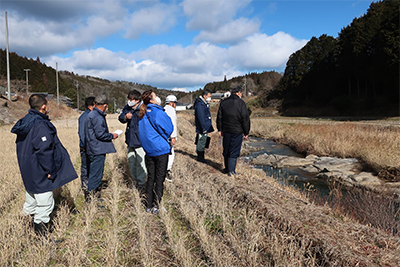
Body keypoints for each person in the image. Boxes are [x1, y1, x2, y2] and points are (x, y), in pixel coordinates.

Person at [11, 94, 78, 236]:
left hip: (28, 168)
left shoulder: (26, 121)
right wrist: (50, 169)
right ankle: (41, 236)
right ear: (43, 106)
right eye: (47, 104)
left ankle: (25, 227)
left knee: (31, 199)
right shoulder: (40, 124)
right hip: (40, 170)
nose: (48, 107)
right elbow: (44, 150)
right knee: (45, 203)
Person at [138, 90, 173, 214]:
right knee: (159, 178)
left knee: (150, 177)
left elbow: (141, 133)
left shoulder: (142, 114)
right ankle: (157, 206)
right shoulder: (157, 112)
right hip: (160, 149)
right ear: (152, 100)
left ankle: (148, 205)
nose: (158, 98)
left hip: (149, 150)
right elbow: (169, 128)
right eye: (155, 96)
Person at [85, 95, 118, 202]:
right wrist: (112, 136)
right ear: (104, 105)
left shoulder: (91, 114)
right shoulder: (97, 116)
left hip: (92, 148)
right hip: (97, 149)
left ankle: (92, 196)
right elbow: (100, 134)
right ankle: (92, 199)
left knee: (94, 173)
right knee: (96, 175)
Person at [216, 86, 250, 175]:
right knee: (234, 151)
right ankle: (231, 172)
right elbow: (245, 119)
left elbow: (219, 117)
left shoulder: (223, 102)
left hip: (226, 130)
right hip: (237, 131)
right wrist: (246, 131)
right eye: (241, 93)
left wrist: (219, 129)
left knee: (226, 149)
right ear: (239, 93)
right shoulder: (241, 103)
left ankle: (227, 169)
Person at [118, 90, 147, 190]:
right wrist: (125, 117)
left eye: (131, 99)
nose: (129, 101)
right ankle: (134, 181)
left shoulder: (143, 109)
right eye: (129, 99)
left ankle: (141, 183)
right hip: (130, 140)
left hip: (140, 141)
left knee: (140, 163)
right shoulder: (127, 108)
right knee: (131, 162)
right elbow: (121, 118)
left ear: (137, 100)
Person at [78, 96, 95, 199]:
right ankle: (87, 191)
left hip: (87, 147)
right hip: (87, 148)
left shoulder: (86, 116)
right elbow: (83, 134)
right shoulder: (86, 117)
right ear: (90, 107)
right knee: (87, 169)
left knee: (88, 168)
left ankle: (88, 189)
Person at [194, 89, 214, 162]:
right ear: (204, 96)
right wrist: (203, 128)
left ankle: (200, 156)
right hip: (203, 127)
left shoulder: (203, 103)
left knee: (202, 141)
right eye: (209, 96)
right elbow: (201, 117)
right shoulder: (200, 104)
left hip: (205, 126)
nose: (210, 98)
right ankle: (200, 157)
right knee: (201, 141)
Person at [164, 95, 178, 182]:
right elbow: (173, 124)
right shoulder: (171, 110)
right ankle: (166, 171)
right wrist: (173, 136)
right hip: (169, 135)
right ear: (171, 103)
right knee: (171, 154)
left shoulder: (163, 109)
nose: (175, 105)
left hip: (163, 135)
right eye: (175, 103)